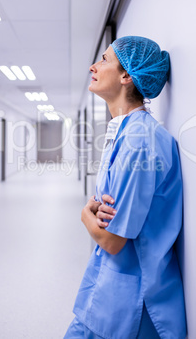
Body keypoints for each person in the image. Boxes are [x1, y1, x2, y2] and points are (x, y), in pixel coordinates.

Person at [64, 36, 187, 338]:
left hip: (133, 305)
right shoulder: (125, 131)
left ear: (126, 76)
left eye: (104, 60)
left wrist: (84, 214)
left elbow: (112, 240)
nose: (93, 66)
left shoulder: (140, 141)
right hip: (112, 289)